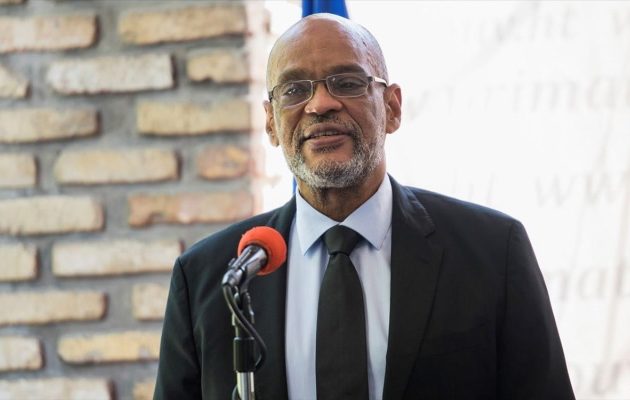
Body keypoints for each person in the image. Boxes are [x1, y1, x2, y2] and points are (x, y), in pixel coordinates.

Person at [154, 13, 575, 400]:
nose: (320, 104)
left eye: (347, 82)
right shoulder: (209, 277)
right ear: (270, 123)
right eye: (295, 90)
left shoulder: (493, 252)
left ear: (392, 108)